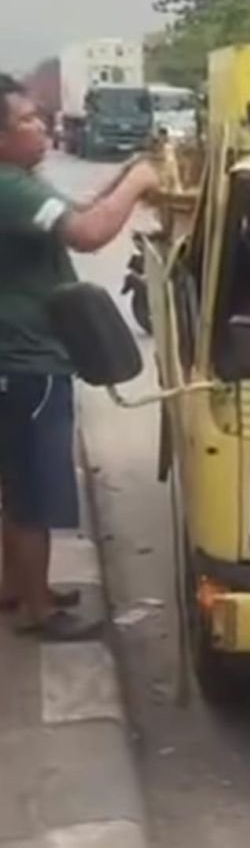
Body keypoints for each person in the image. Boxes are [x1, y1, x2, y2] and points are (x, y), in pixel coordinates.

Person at [0, 74, 159, 640]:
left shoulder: (21, 185)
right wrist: (140, 182)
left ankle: (17, 587)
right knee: (32, 491)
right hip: (27, 361)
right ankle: (39, 610)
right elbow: (89, 233)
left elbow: (80, 212)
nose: (41, 127)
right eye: (25, 120)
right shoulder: (10, 187)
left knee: (14, 484)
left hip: (16, 358)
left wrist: (122, 177)